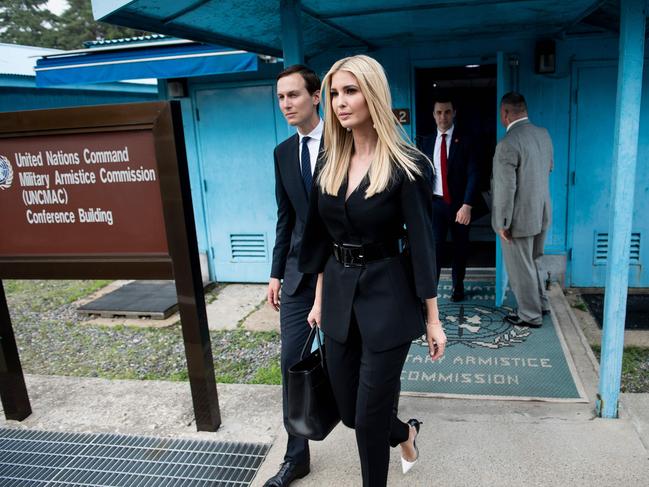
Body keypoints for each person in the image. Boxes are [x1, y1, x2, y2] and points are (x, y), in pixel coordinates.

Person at [298, 54, 447, 487]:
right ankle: (405, 432)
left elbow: (422, 246)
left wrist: (433, 319)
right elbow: (319, 238)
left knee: (367, 419)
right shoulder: (328, 163)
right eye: (334, 93)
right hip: (340, 299)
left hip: (388, 300)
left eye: (350, 90)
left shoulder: (408, 165)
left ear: (373, 94)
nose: (340, 102)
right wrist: (319, 299)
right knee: (349, 414)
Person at [265, 64, 323, 487]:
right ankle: (296, 455)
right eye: (281, 97)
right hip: (298, 274)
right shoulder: (283, 153)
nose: (286, 103)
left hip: (344, 274)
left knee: (347, 364)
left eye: (294, 95)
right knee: (291, 364)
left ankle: (384, 432)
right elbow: (286, 218)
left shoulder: (345, 144)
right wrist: (274, 273)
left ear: (316, 96)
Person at [491, 92, 553, 328]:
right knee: (535, 260)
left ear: (504, 113)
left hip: (519, 217)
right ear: (524, 110)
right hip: (542, 210)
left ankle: (530, 315)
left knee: (521, 268)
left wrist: (503, 223)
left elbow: (506, 188)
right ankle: (542, 304)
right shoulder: (544, 135)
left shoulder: (508, 143)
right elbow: (549, 168)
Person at [420, 98, 482, 301]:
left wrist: (467, 205)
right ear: (433, 114)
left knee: (460, 248)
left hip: (459, 206)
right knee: (435, 249)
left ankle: (458, 287)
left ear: (454, 112)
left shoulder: (466, 141)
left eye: (447, 112)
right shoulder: (426, 141)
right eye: (438, 112)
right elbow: (420, 175)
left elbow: (474, 173)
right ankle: (432, 292)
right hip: (435, 204)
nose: (442, 117)